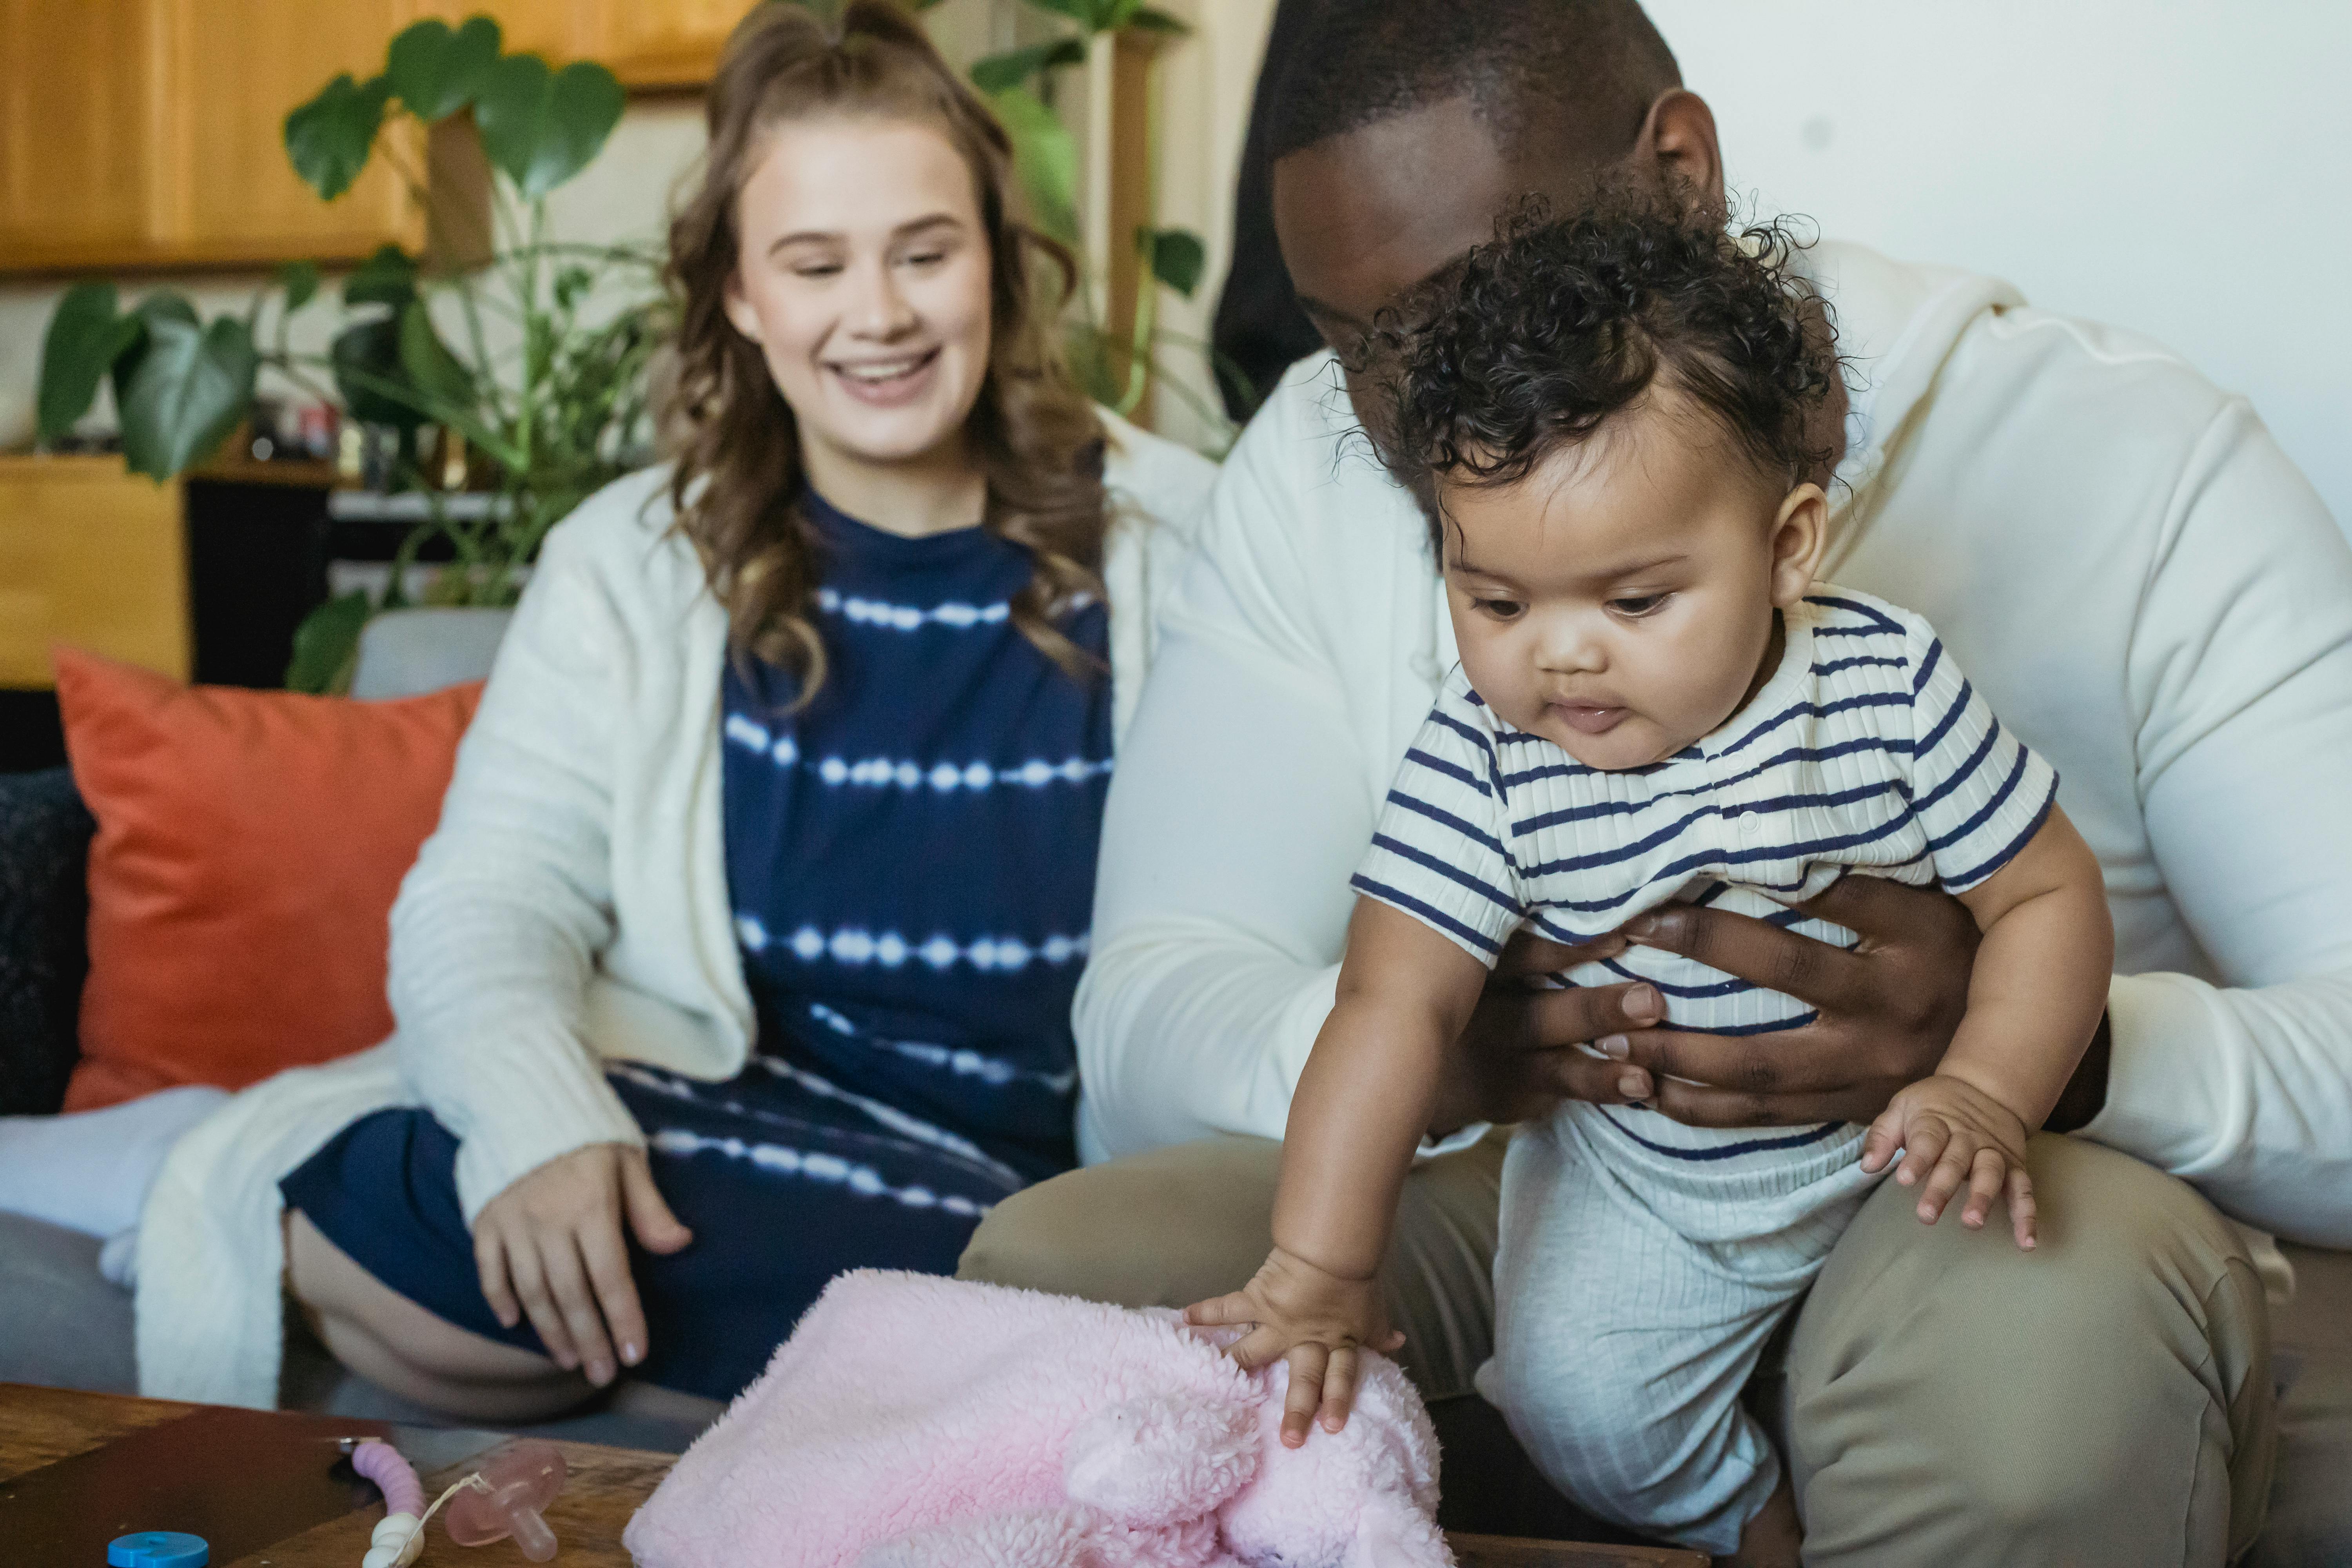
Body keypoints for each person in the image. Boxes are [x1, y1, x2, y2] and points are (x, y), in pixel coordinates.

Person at [960, 2, 2352, 1563]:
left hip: (1961, 1180)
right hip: (1582, 1184)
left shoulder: (2132, 462)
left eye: (1468, 302)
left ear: (1679, 170)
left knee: (2030, 1391)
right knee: (1063, 1282)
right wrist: (1457, 1047)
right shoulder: (1319, 463)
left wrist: (2041, 1053)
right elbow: (1145, 1005)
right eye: (1357, 344)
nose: (1422, 417)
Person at [131, 1, 1212, 1418]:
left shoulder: (1184, 542)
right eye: (814, 263)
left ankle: (976, 1350)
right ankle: (948, 1380)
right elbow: (484, 901)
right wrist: (540, 1127)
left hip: (1043, 1198)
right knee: (385, 1177)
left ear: (1000, 268)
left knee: (1033, 1266)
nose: (877, 314)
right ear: (742, 296)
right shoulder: (631, 563)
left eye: (925, 253)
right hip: (730, 1129)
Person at [1187, 208, 2112, 1565]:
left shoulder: (1885, 688)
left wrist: (1983, 1090)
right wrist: (1321, 1271)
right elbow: (1392, 1007)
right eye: (1497, 604)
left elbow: (2045, 897)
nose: (1562, 660)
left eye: (1635, 602)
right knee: (1580, 1406)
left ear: (1787, 546)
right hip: (1648, 1193)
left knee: (2007, 1380)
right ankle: (1751, 1519)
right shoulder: (1486, 758)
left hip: (1888, 1162)